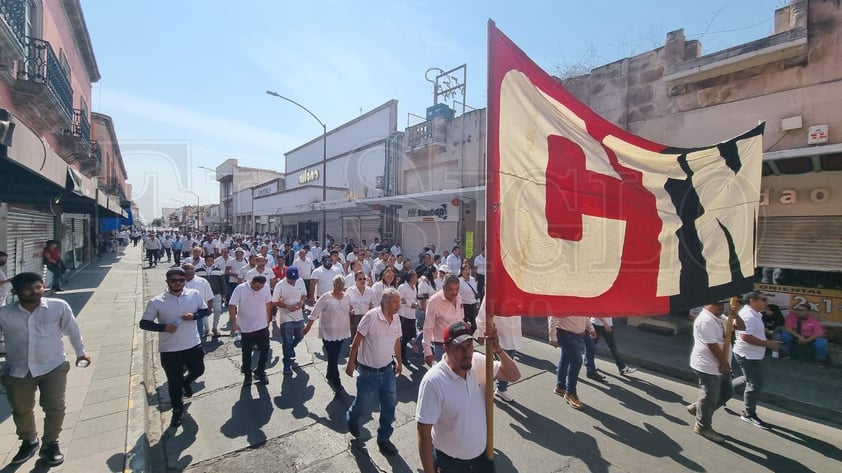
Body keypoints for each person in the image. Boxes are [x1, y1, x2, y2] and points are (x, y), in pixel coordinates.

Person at [0, 272, 90, 467]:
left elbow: (72, 330)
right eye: (28, 289)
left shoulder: (58, 307)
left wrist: (81, 353)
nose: (34, 292)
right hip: (18, 370)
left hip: (53, 365)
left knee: (55, 406)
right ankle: (29, 440)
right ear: (15, 292)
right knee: (21, 409)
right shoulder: (5, 314)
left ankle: (50, 443)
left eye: (38, 287)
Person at [416, 320, 521, 472]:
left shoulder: (478, 362)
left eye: (469, 345)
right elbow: (424, 432)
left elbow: (514, 375)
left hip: (483, 458)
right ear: (446, 348)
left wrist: (498, 349)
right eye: (459, 348)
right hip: (451, 464)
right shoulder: (434, 382)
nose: (466, 353)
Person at [140, 268, 209, 429]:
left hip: (192, 343)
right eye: (174, 280)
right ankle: (177, 409)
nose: (178, 283)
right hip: (170, 349)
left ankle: (186, 383)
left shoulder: (194, 294)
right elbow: (144, 323)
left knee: (199, 370)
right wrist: (164, 327)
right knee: (173, 382)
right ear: (167, 282)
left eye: (181, 280)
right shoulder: (157, 301)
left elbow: (205, 310)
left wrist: (195, 316)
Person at [345, 288, 403, 456]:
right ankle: (352, 418)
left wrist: (399, 361)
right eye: (395, 302)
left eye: (399, 302)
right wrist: (351, 362)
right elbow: (357, 339)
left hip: (387, 371)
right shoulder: (371, 316)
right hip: (367, 372)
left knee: (390, 404)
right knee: (362, 404)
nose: (399, 305)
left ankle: (384, 438)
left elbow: (397, 341)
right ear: (386, 302)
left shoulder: (397, 319)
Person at [687, 299, 746, 442]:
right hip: (707, 366)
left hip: (721, 365)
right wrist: (724, 362)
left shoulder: (721, 318)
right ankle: (702, 427)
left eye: (723, 304)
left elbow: (741, 327)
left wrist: (735, 314)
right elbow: (712, 346)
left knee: (727, 392)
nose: (721, 307)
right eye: (717, 304)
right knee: (710, 397)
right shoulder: (705, 320)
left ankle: (698, 408)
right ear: (707, 304)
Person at [732, 291, 781, 429]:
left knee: (749, 379)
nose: (766, 302)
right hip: (747, 355)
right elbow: (746, 337)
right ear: (753, 301)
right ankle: (749, 414)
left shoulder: (755, 314)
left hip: (754, 354)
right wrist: (769, 344)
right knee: (754, 385)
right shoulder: (748, 315)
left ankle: (724, 391)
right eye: (763, 299)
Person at [303, 274, 352, 393]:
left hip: (341, 332)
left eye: (342, 284)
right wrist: (307, 328)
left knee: (334, 356)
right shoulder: (325, 297)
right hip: (328, 333)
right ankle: (336, 381)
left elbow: (349, 309)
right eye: (337, 284)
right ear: (333, 285)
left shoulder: (347, 297)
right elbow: (314, 313)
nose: (340, 286)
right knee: (333, 356)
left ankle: (330, 375)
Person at [475, 299, 523, 403]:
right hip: (499, 336)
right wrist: (480, 333)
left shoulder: (515, 294)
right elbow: (482, 314)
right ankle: (487, 388)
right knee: (494, 367)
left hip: (513, 335)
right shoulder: (494, 292)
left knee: (507, 364)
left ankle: (501, 389)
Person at [229, 275, 272, 386]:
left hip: (261, 325)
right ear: (252, 282)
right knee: (247, 352)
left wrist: (268, 319)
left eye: (261, 287)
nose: (259, 289)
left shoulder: (265, 287)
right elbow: (232, 305)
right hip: (246, 327)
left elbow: (268, 303)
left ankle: (260, 371)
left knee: (265, 350)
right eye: (257, 287)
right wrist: (234, 323)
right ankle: (247, 375)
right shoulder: (241, 288)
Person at [549, 315, 594, 409]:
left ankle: (560, 386)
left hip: (577, 336)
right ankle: (570, 393)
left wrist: (591, 328)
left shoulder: (581, 300)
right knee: (577, 361)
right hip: (565, 335)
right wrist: (552, 337)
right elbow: (553, 317)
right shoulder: (564, 300)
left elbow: (584, 315)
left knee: (565, 358)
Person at [272, 267, 307, 376]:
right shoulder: (280, 285)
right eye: (290, 279)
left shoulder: (300, 281)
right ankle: (286, 363)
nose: (293, 281)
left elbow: (304, 294)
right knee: (287, 341)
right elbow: (274, 301)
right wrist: (287, 306)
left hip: (299, 316)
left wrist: (301, 302)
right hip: (286, 317)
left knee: (300, 336)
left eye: (294, 279)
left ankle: (291, 347)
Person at [423, 274, 463, 365]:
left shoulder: (458, 296)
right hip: (442, 346)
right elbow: (428, 327)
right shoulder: (434, 301)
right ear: (444, 288)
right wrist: (427, 351)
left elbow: (461, 317)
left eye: (457, 289)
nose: (455, 293)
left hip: (459, 343)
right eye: (451, 290)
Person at [195, 254, 226, 337]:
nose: (210, 262)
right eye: (208, 260)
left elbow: (222, 282)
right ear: (205, 261)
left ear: (213, 261)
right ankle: (206, 329)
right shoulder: (198, 271)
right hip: (203, 294)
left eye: (211, 261)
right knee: (205, 311)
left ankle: (215, 328)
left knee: (218, 310)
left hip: (216, 293)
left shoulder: (218, 270)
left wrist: (224, 293)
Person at [182, 263, 214, 340]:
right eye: (185, 269)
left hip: (198, 313)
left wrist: (209, 309)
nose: (188, 271)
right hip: (182, 314)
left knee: (199, 335)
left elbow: (210, 296)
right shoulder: (179, 282)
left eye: (190, 269)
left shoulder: (202, 282)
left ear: (194, 270)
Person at [346, 269, 377, 340]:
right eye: (360, 279)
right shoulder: (350, 291)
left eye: (364, 279)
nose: (362, 281)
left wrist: (371, 311)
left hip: (366, 317)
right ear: (355, 280)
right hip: (355, 317)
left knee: (366, 338)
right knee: (355, 338)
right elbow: (345, 303)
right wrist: (350, 310)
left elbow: (375, 303)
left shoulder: (370, 290)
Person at [397, 270, 420, 365]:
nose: (417, 278)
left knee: (411, 336)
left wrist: (415, 304)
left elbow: (413, 299)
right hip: (403, 315)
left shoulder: (414, 287)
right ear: (411, 278)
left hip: (412, 315)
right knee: (405, 337)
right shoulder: (402, 287)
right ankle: (402, 357)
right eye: (415, 276)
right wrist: (411, 305)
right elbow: (400, 301)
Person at [458, 263, 479, 331]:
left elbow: (475, 290)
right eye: (465, 270)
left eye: (468, 270)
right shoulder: (459, 281)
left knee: (474, 325)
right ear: (462, 271)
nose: (467, 271)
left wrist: (478, 301)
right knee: (463, 323)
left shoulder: (472, 279)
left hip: (473, 303)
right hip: (464, 304)